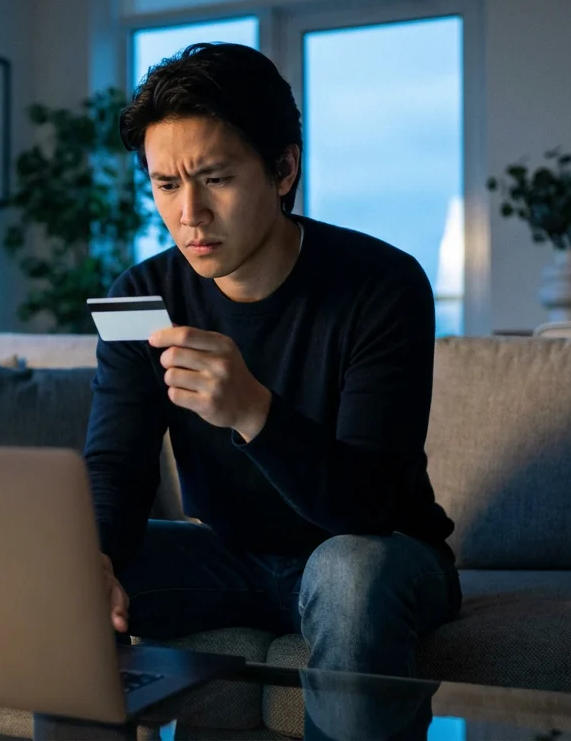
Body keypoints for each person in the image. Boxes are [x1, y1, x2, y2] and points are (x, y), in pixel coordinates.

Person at [83, 41, 461, 683]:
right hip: (229, 558)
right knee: (58, 576)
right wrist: (90, 556)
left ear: (283, 170)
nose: (188, 214)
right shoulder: (138, 297)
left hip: (377, 554)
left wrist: (254, 412)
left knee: (349, 572)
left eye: (217, 179)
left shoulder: (385, 285)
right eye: (166, 184)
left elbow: (370, 505)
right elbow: (116, 465)